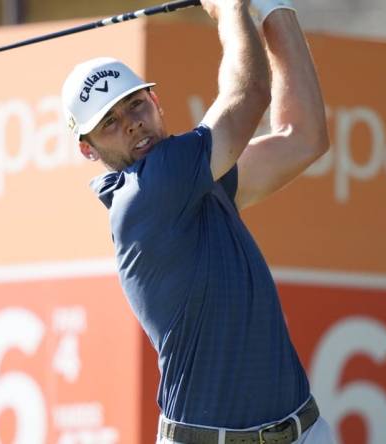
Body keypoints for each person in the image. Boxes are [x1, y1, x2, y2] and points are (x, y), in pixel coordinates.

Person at [61, 0, 333, 442]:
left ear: (155, 100)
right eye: (109, 123)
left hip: (303, 428)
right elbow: (248, 96)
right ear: (87, 149)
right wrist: (230, 9)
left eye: (134, 105)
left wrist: (275, 10)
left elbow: (303, 138)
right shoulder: (147, 193)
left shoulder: (197, 183)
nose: (131, 124)